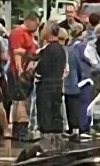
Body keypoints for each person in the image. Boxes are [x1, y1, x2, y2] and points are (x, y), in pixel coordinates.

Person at [35, 21, 68, 149]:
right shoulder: (61, 49)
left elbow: (42, 68)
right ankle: (57, 138)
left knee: (45, 111)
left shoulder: (49, 49)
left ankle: (47, 142)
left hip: (47, 84)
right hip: (58, 84)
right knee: (56, 111)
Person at [8, 13, 40, 141]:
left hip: (25, 71)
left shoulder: (28, 34)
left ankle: (17, 131)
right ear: (29, 21)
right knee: (21, 102)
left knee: (19, 102)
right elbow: (17, 52)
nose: (37, 27)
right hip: (19, 71)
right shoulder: (18, 32)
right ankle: (21, 131)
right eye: (36, 24)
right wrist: (19, 70)